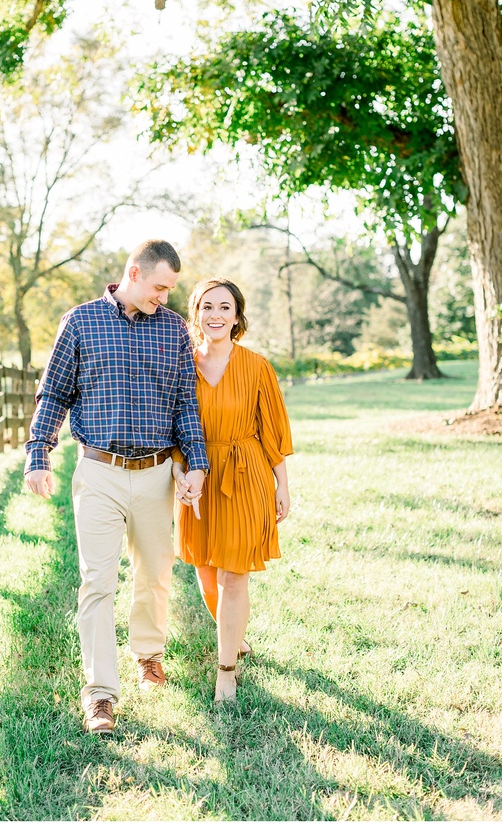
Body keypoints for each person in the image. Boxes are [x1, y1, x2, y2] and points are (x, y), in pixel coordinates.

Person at [24, 240, 208, 734]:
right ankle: (100, 694)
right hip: (99, 471)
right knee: (97, 581)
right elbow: (54, 393)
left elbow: (185, 405)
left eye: (170, 289)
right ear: (133, 272)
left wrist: (197, 464)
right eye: (159, 287)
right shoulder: (81, 322)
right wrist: (38, 454)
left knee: (155, 574)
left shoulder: (173, 331)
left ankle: (148, 655)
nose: (165, 298)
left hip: (154, 475)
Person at [173, 277, 293, 702]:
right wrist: (179, 472)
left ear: (238, 316)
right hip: (197, 478)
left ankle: (226, 669)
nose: (216, 315)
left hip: (246, 476)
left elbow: (272, 430)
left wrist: (282, 484)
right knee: (205, 574)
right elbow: (170, 427)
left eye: (225, 307)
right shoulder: (181, 363)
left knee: (232, 576)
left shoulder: (257, 366)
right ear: (196, 314)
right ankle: (234, 636)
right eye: (207, 307)